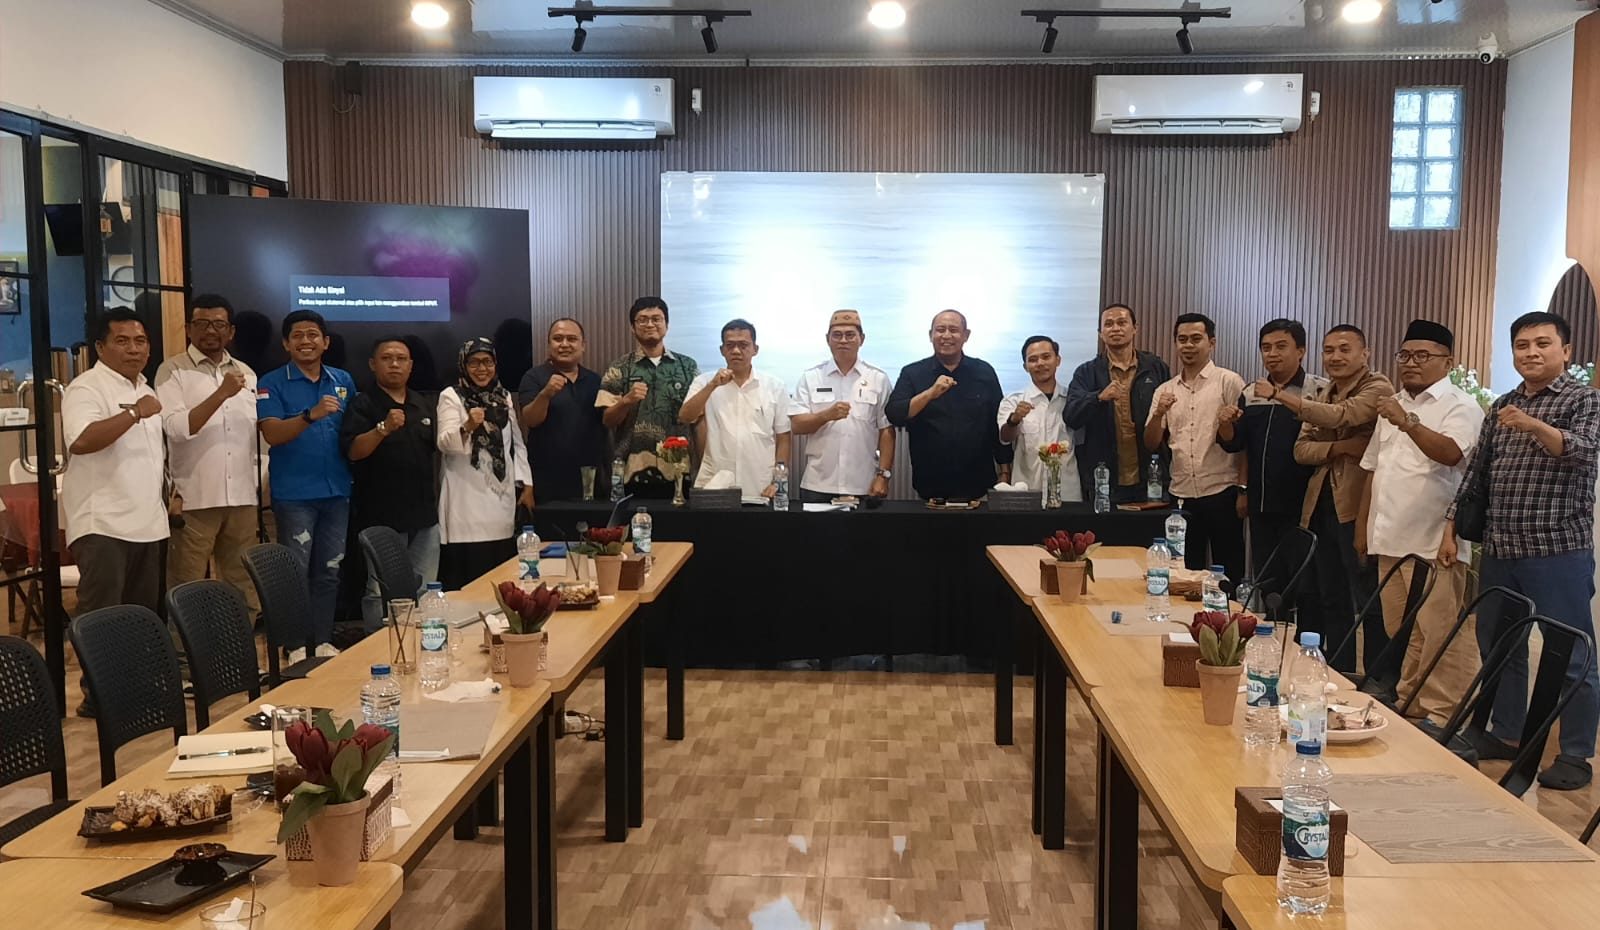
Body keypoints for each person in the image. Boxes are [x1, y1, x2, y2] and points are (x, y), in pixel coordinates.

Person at [1446, 311, 1600, 790]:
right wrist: (1451, 527)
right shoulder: (1503, 404)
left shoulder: (1584, 399)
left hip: (1557, 550)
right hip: (1501, 547)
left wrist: (1534, 425)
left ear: (1566, 351)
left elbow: (1583, 452)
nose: (1531, 352)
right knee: (1499, 646)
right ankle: (1505, 732)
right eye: (1522, 345)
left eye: (1542, 343)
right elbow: (1477, 474)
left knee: (1569, 652)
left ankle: (1576, 753)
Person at [1355, 320, 1483, 728]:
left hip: (1435, 540)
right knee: (1404, 630)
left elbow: (1451, 454)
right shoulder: (1392, 403)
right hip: (1389, 537)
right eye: (1405, 355)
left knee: (1439, 631)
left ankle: (1444, 715)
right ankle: (1410, 702)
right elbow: (1373, 470)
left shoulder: (1460, 405)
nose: (1411, 363)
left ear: (1448, 361)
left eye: (1422, 355)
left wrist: (1406, 421)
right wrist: (1362, 529)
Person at [61, 308, 167, 716]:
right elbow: (82, 440)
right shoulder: (86, 388)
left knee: (139, 617)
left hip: (147, 521)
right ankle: (99, 698)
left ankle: (133, 691)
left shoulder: (145, 387)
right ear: (100, 347)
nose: (133, 349)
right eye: (122, 341)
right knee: (102, 615)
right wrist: (134, 412)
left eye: (140, 341)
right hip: (102, 522)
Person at [1286, 325, 1394, 674]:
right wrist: (1343, 447)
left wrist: (1285, 398)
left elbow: (1345, 415)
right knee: (1330, 594)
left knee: (1368, 598)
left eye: (1345, 349)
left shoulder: (1378, 387)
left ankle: (1377, 677)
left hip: (1358, 507)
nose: (1335, 357)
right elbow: (1301, 450)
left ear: (1365, 353)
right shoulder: (1323, 392)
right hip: (1321, 503)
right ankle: (1339, 670)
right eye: (1329, 350)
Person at [257, 309, 356, 661]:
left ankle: (322, 639)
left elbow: (352, 431)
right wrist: (309, 415)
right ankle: (296, 644)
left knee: (330, 571)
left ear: (325, 342)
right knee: (295, 574)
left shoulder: (342, 380)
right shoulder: (271, 382)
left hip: (337, 490)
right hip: (295, 494)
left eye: (313, 335)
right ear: (286, 343)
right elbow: (272, 433)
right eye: (297, 335)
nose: (306, 341)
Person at [154, 293, 260, 615]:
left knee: (245, 587)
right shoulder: (172, 370)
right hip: (195, 498)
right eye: (201, 323)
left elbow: (252, 435)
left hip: (242, 497)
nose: (210, 331)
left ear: (231, 331)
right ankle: (185, 650)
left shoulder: (247, 373)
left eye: (219, 324)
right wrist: (221, 394)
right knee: (186, 589)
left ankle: (238, 646)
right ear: (188, 329)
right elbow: (175, 428)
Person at [342, 337, 440, 628]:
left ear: (411, 366)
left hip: (424, 515)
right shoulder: (363, 403)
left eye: (401, 359)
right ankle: (376, 646)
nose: (394, 364)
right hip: (381, 516)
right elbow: (354, 451)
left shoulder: (422, 403)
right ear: (373, 364)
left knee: (424, 588)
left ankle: (420, 643)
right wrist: (383, 429)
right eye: (387, 358)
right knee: (378, 591)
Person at [1217, 319, 1324, 584]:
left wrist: (1278, 394)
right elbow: (1237, 444)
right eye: (1266, 348)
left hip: (1305, 505)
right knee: (1267, 580)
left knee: (1305, 582)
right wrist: (1225, 424)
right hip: (1261, 503)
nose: (1272, 354)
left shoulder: (1319, 390)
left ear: (1301, 351)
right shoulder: (1251, 392)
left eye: (1281, 346)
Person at [1143, 313, 1246, 581]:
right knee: (1184, 573)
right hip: (1181, 493)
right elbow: (1151, 443)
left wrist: (1243, 490)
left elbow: (1245, 441)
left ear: (1211, 342)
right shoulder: (1164, 390)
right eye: (1182, 339)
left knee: (1228, 572)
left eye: (1196, 339)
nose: (1188, 345)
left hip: (1222, 490)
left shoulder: (1229, 381)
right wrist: (1158, 413)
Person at [438, 338, 533, 590]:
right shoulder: (451, 396)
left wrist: (527, 484)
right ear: (463, 365)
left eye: (488, 362)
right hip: (465, 502)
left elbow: (517, 443)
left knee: (502, 578)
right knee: (469, 581)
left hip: (500, 501)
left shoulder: (503, 396)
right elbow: (444, 443)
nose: (482, 369)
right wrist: (468, 426)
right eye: (474, 362)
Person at [887, 310, 1011, 500]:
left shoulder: (984, 371)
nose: (946, 335)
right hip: (930, 483)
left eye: (953, 330)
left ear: (966, 335)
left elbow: (997, 422)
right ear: (931, 335)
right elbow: (895, 414)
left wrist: (1005, 470)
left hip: (978, 481)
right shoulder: (912, 373)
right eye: (940, 330)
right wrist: (930, 393)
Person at [1065, 303, 1171, 503]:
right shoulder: (1086, 372)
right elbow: (1071, 416)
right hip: (1104, 478)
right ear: (1100, 333)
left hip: (1151, 474)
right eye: (1109, 324)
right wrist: (1098, 397)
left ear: (1135, 328)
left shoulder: (1156, 368)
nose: (1115, 328)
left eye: (1122, 322)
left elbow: (1172, 419)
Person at [679, 319, 792, 503]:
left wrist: (778, 481)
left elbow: (783, 438)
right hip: (715, 484)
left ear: (755, 349)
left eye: (743, 345)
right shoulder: (704, 381)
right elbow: (685, 416)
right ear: (722, 350)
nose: (736, 351)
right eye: (730, 345)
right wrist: (712, 386)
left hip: (760, 485)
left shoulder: (774, 386)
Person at [788, 310, 895, 502]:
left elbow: (886, 430)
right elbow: (797, 426)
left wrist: (883, 476)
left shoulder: (878, 378)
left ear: (862, 339)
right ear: (827, 339)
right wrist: (825, 416)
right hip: (818, 484)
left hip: (863, 483)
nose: (843, 340)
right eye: (837, 335)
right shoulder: (811, 377)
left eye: (850, 335)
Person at [597, 296, 699, 498]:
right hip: (631, 471)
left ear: (666, 325)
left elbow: (698, 418)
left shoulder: (688, 367)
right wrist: (626, 401)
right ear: (632, 327)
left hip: (679, 471)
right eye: (642, 320)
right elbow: (607, 420)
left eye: (656, 319)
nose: (650, 324)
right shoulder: (619, 367)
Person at [519, 318, 607, 502]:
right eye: (558, 339)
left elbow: (607, 423)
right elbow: (530, 420)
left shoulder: (595, 380)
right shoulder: (533, 377)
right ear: (549, 345)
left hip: (590, 481)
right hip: (547, 481)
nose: (564, 344)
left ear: (583, 345)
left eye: (572, 339)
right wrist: (546, 394)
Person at [999, 335, 1080, 502]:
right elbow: (1005, 438)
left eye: (1046, 357)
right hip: (1027, 491)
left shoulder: (1073, 400)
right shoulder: (1013, 401)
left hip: (1068, 492)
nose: (1040, 363)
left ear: (1058, 360)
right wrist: (1014, 419)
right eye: (1033, 359)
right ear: (1025, 366)